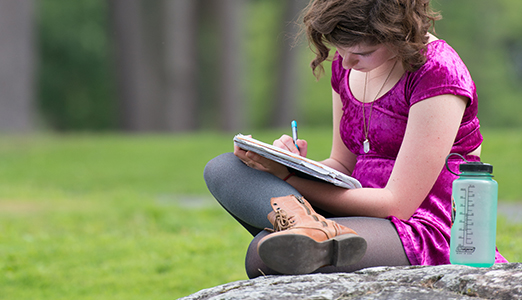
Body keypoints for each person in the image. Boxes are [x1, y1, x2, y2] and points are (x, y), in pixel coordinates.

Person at [204, 0, 508, 278]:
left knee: (263, 256)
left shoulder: (437, 72)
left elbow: (398, 204)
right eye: (340, 49)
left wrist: (288, 179)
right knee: (225, 168)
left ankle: (309, 230)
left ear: (399, 33)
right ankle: (306, 226)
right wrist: (293, 165)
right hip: (353, 210)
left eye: (361, 53)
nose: (346, 62)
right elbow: (343, 163)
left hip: (421, 228)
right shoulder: (346, 65)